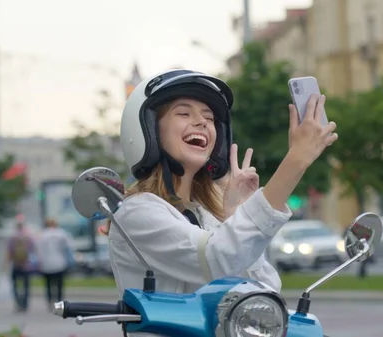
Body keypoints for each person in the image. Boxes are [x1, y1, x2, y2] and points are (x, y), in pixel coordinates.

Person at [109, 69, 337, 298]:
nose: (202, 122)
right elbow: (215, 258)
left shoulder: (207, 217)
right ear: (150, 131)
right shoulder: (137, 212)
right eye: (184, 114)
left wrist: (235, 218)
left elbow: (265, 292)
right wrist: (296, 161)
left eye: (209, 118)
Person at [36, 218, 75, 311]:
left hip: (46, 264)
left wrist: (39, 262)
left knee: (48, 285)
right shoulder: (61, 233)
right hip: (60, 262)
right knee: (59, 284)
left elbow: (39, 250)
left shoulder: (42, 234)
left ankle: (50, 302)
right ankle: (59, 302)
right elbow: (69, 246)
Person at [6, 222, 36, 313]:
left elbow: (9, 252)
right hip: (26, 266)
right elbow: (32, 251)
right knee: (26, 286)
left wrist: (7, 265)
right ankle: (25, 305)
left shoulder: (12, 238)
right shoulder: (28, 238)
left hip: (16, 265)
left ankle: (18, 304)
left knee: (15, 286)